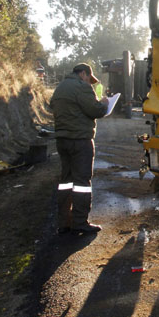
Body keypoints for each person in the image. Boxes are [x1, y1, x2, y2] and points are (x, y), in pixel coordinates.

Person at [50, 63, 109, 235]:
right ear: (83, 73)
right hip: (80, 140)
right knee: (82, 182)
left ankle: (64, 221)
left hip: (62, 140)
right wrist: (104, 104)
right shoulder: (81, 87)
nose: (89, 83)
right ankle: (80, 222)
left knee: (66, 181)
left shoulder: (60, 87)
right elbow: (95, 110)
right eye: (88, 79)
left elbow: (52, 106)